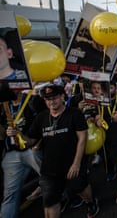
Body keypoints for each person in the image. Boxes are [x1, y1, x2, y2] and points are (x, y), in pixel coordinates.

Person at [18, 84, 99, 217]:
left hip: (72, 164)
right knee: (50, 202)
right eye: (48, 99)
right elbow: (30, 141)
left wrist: (76, 164)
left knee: (80, 188)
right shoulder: (41, 118)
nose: (51, 102)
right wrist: (18, 134)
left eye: (54, 98)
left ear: (62, 97)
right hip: (50, 169)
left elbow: (82, 139)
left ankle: (90, 202)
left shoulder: (74, 114)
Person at [1, 88, 45, 218]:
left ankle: (62, 195)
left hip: (33, 150)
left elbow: (47, 123)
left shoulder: (33, 101)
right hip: (13, 153)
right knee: (10, 193)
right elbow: (3, 134)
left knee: (50, 179)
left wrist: (38, 144)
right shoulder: (3, 106)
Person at [95, 80, 117, 203]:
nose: (108, 90)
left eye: (111, 87)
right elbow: (92, 115)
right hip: (106, 139)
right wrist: (96, 119)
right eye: (106, 88)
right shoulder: (99, 101)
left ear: (115, 87)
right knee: (113, 159)